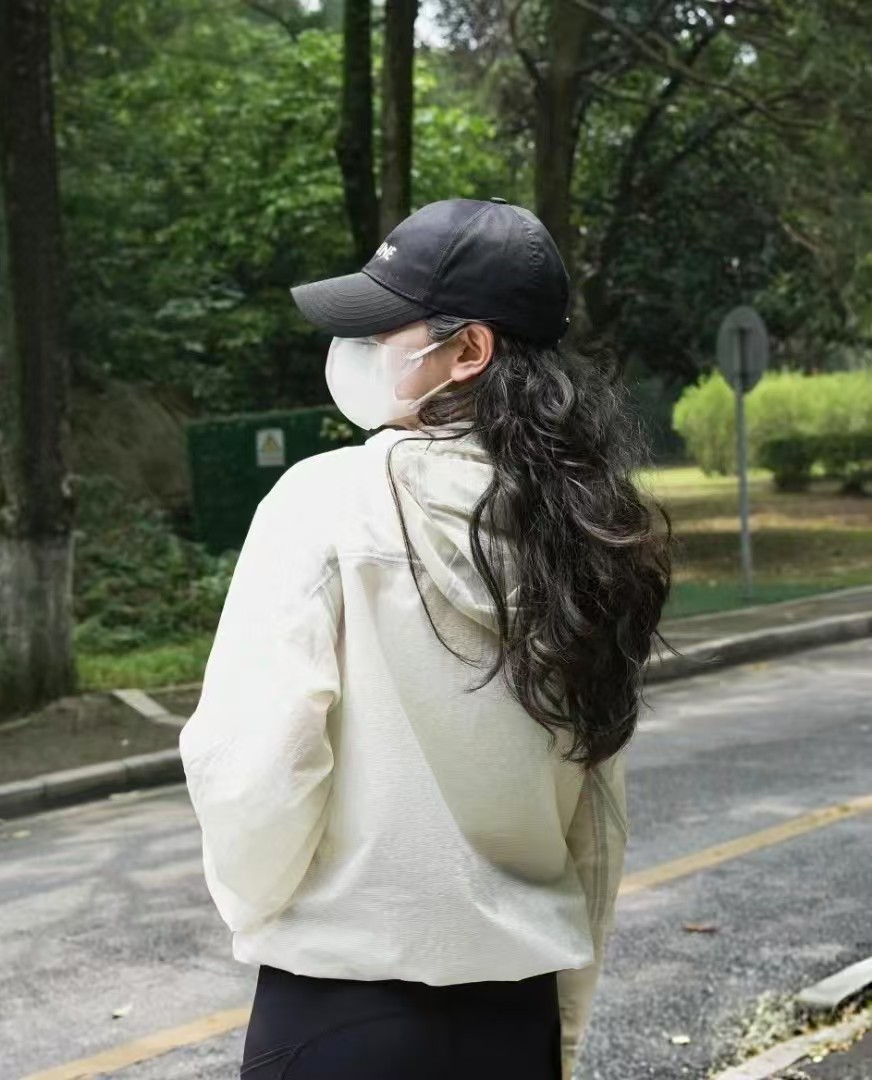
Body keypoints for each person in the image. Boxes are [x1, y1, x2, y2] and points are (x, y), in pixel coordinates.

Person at [178, 197, 676, 1079]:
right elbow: (596, 823)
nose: (358, 350)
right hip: (511, 1020)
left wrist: (266, 912)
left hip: (337, 1012)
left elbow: (254, 767)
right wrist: (561, 1025)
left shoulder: (324, 502)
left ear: (469, 349)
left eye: (383, 328)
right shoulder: (590, 538)